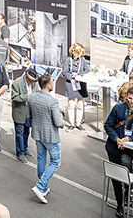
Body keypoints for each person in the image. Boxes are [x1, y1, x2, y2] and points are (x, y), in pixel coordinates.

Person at [103, 86, 133, 216]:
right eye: (130, 98)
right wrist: (117, 139)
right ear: (126, 96)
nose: (132, 101)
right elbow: (108, 125)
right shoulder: (118, 109)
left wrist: (128, 139)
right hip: (113, 147)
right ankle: (119, 203)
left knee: (127, 172)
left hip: (129, 150)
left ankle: (127, 196)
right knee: (116, 176)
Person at [28, 74, 64, 204]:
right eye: (52, 82)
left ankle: (43, 187)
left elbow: (28, 115)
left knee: (41, 159)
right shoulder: (53, 101)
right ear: (48, 86)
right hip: (50, 137)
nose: (53, 83)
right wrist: (63, 121)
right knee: (55, 161)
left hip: (37, 134)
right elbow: (58, 123)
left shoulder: (31, 98)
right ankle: (40, 186)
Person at [10, 68, 39, 163]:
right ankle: (20, 153)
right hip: (19, 112)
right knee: (19, 134)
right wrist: (27, 96)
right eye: (31, 81)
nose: (32, 83)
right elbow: (14, 97)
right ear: (26, 77)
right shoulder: (16, 83)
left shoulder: (35, 84)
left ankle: (25, 148)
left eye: (33, 81)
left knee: (26, 132)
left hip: (29, 113)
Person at [61, 43, 89, 132]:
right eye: (80, 52)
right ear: (76, 52)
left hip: (81, 84)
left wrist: (79, 75)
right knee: (71, 104)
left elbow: (86, 70)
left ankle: (78, 123)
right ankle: (72, 124)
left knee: (80, 105)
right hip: (71, 84)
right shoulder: (68, 60)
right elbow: (64, 72)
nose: (82, 54)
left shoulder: (83, 59)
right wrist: (72, 76)